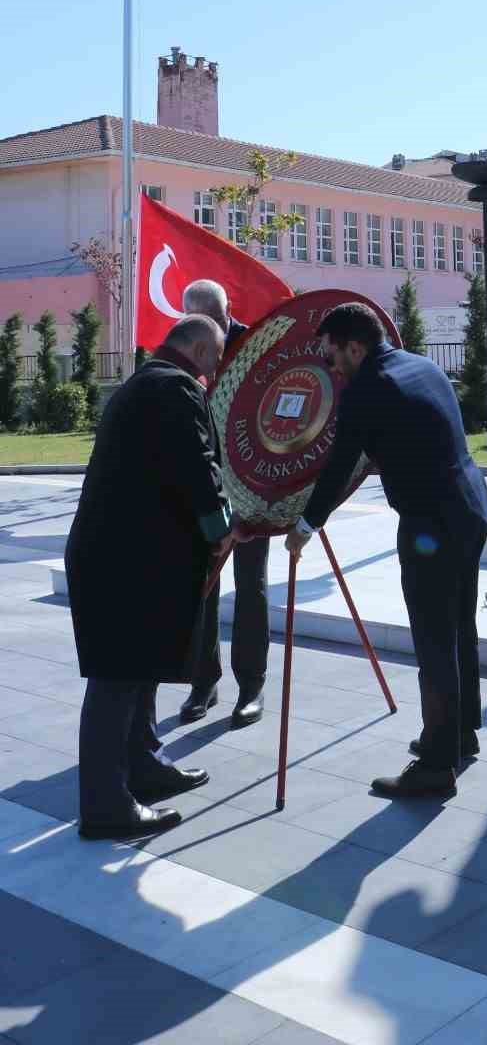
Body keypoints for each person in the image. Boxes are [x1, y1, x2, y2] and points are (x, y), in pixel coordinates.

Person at [286, 303, 487, 798]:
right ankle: (460, 733)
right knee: (460, 626)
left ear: (354, 346)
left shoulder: (368, 389)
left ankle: (437, 767)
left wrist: (304, 524)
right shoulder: (419, 364)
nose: (331, 368)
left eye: (333, 356)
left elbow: (339, 467)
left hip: (432, 526)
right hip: (470, 510)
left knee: (433, 640)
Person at [65, 314, 231, 840]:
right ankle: (106, 806)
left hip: (122, 558)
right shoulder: (177, 389)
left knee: (136, 674)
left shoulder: (146, 382)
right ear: (201, 351)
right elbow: (197, 469)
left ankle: (144, 768)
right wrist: (224, 527)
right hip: (123, 564)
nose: (216, 370)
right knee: (116, 681)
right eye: (218, 358)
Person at [177, 279, 268, 729]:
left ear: (227, 315)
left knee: (251, 587)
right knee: (202, 586)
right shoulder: (185, 349)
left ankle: (251, 686)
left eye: (215, 322)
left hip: (252, 489)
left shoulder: (257, 345)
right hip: (206, 489)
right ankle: (203, 682)